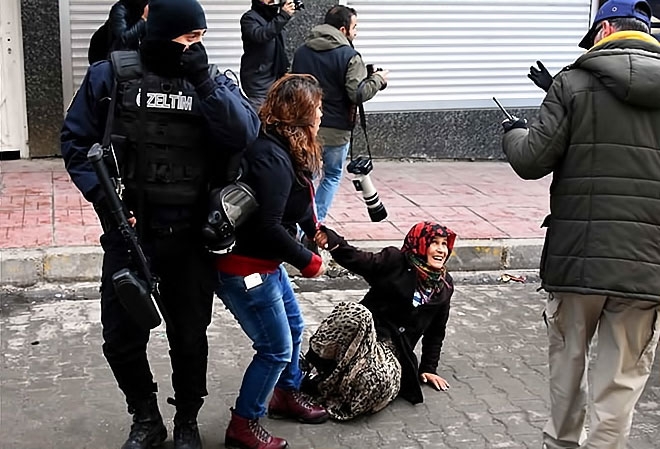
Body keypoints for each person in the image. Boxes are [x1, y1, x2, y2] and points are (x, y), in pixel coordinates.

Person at [60, 0, 260, 448]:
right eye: (188, 38)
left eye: (202, 39)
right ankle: (146, 418)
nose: (196, 49)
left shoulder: (211, 81)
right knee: (120, 339)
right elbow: (75, 140)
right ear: (160, 33)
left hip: (191, 238)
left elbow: (245, 133)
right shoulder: (110, 76)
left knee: (189, 338)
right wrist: (103, 199)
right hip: (130, 233)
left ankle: (187, 419)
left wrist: (205, 81)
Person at [500, 1, 660, 448]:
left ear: (605, 28)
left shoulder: (572, 84)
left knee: (568, 365)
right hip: (646, 266)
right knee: (621, 382)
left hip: (577, 259)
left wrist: (514, 131)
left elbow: (531, 159)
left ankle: (563, 444)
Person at [215, 74, 329, 449]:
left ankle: (285, 394)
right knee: (275, 348)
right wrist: (308, 261)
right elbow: (267, 228)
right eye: (316, 107)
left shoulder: (288, 148)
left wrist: (316, 228)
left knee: (294, 329)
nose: (321, 113)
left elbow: (297, 201)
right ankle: (243, 424)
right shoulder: (270, 156)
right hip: (246, 269)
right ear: (299, 114)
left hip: (267, 266)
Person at [303, 221, 456, 420]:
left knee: (380, 380)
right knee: (354, 313)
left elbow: (436, 331)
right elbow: (358, 259)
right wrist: (333, 242)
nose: (441, 249)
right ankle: (310, 368)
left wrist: (428, 367)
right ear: (419, 243)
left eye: (444, 244)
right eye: (434, 242)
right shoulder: (395, 261)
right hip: (364, 333)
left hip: (391, 352)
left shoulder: (443, 286)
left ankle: (332, 394)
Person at [291, 5, 388, 224]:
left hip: (305, 128)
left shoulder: (302, 52)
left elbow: (293, 88)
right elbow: (358, 93)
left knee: (307, 177)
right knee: (332, 175)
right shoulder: (349, 55)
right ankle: (315, 223)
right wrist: (378, 80)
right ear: (343, 29)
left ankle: (300, 223)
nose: (356, 32)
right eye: (355, 27)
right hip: (336, 131)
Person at [239, 0, 296, 110]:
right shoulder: (249, 18)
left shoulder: (274, 18)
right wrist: (283, 16)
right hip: (258, 80)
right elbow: (261, 35)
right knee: (260, 117)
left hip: (276, 77)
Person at [88, 0, 149, 64]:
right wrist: (143, 19)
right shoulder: (120, 9)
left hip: (126, 58)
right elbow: (123, 39)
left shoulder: (143, 8)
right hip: (105, 56)